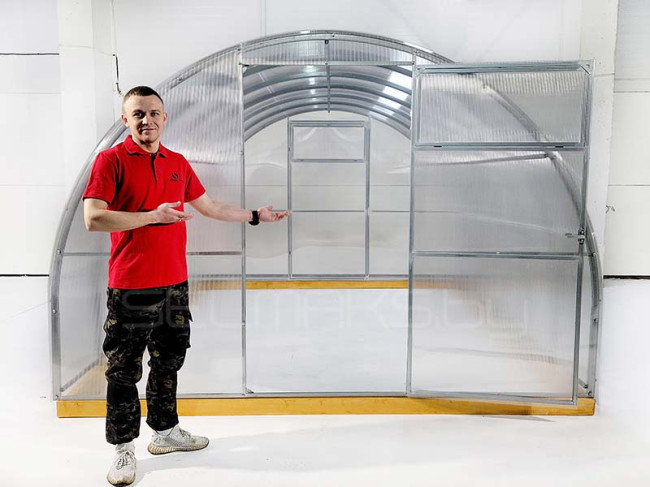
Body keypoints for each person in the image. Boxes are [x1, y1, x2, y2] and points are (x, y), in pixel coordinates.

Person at [83, 85, 289, 486]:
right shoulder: (111, 161)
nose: (147, 120)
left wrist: (254, 215)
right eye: (138, 114)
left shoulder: (177, 162)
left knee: (168, 361)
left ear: (165, 118)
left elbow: (209, 207)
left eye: (153, 113)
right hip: (131, 286)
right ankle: (123, 449)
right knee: (123, 370)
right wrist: (152, 216)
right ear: (126, 120)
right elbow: (94, 218)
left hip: (174, 285)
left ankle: (165, 432)